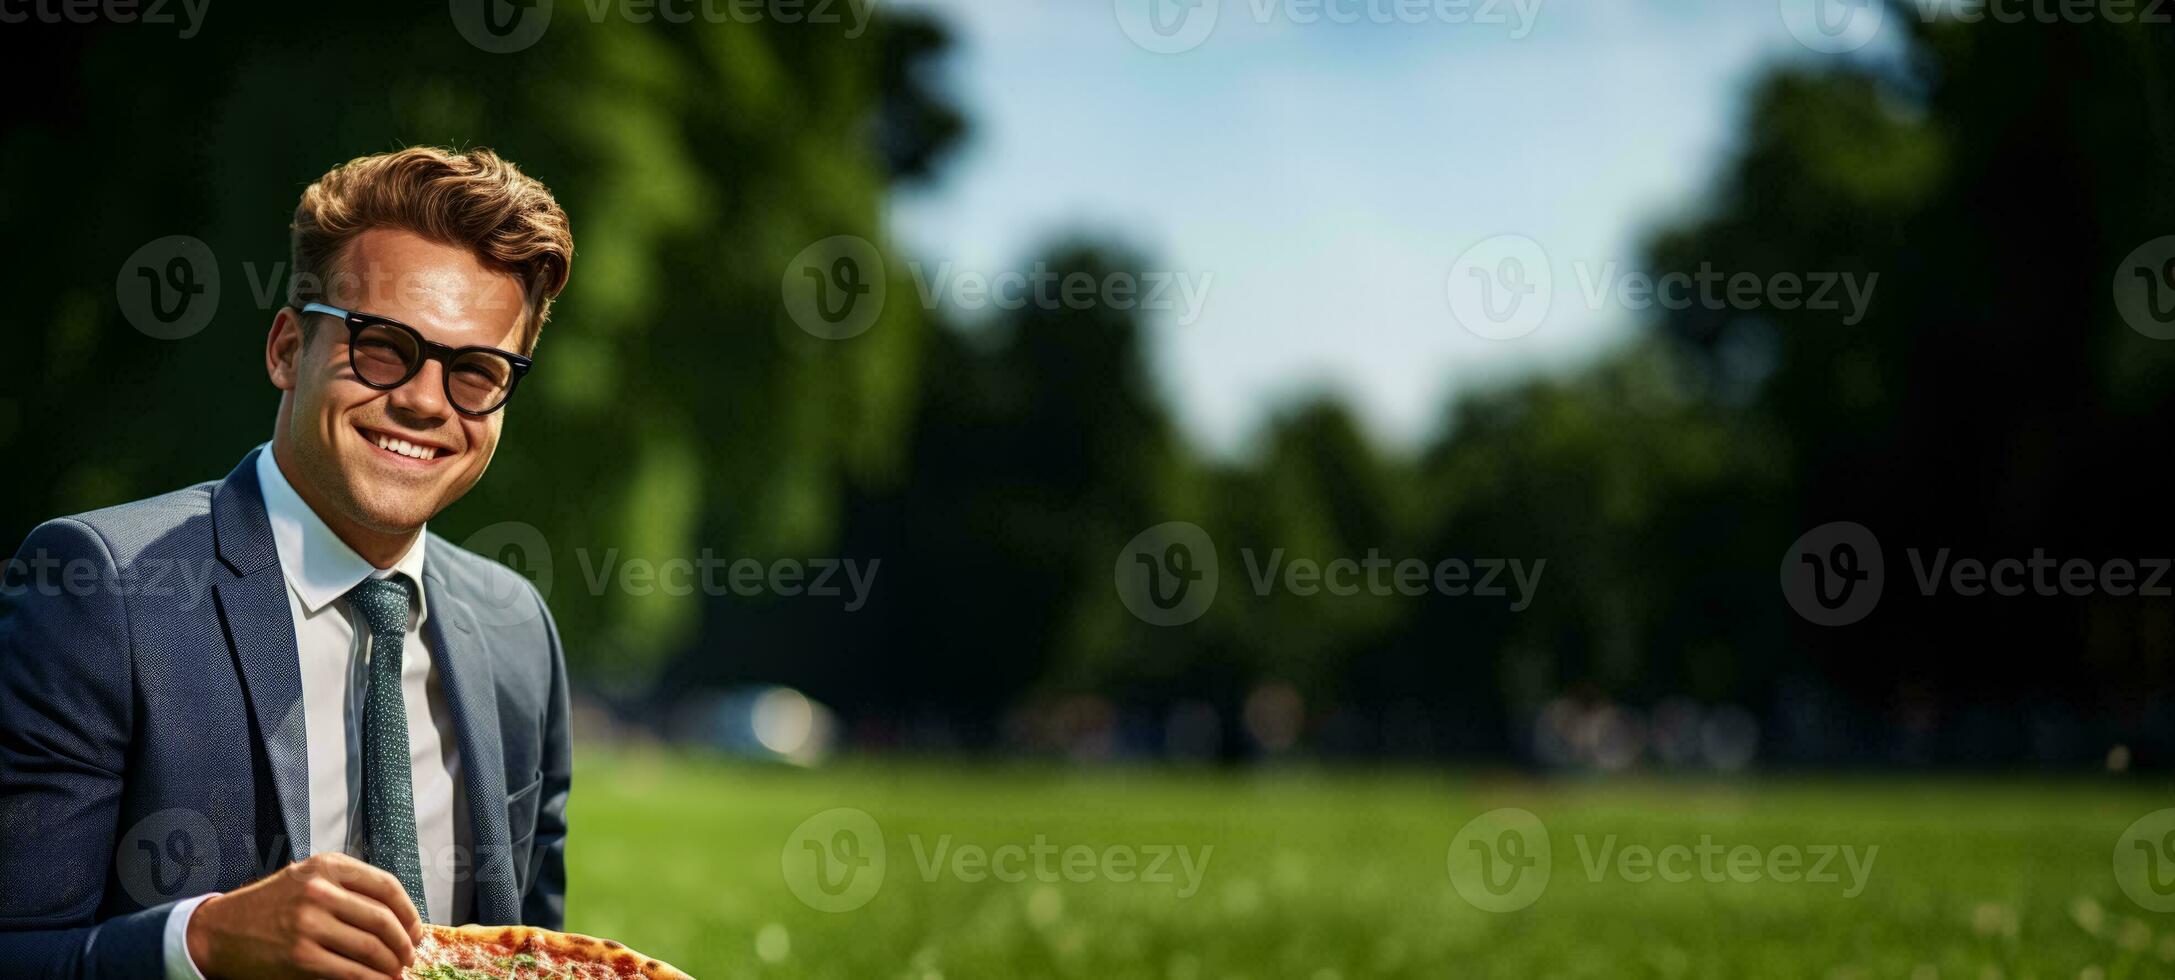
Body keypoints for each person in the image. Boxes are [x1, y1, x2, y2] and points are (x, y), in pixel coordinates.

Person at [0, 146, 576, 980]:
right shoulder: (100, 593)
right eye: (381, 346)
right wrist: (199, 943)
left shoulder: (518, 629)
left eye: (476, 371)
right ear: (284, 349)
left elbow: (544, 955)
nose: (422, 399)